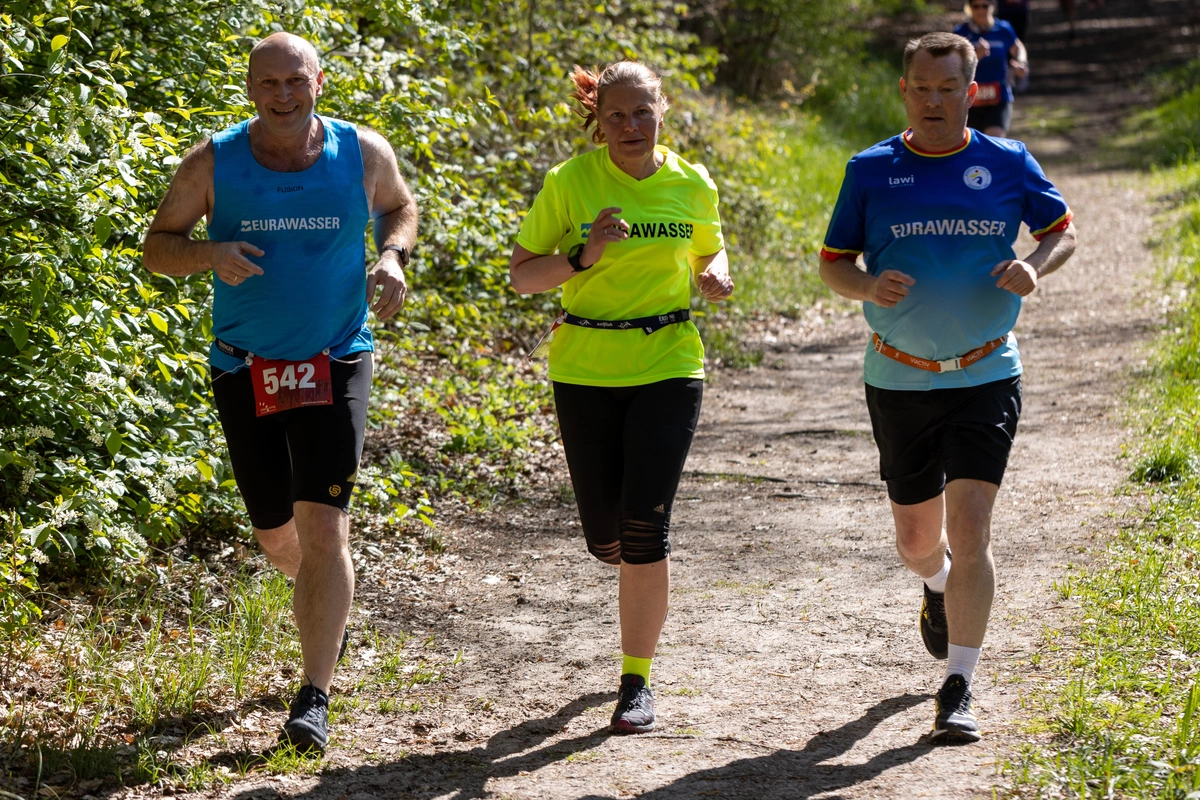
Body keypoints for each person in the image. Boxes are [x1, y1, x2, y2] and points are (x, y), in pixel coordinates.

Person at [142, 32, 417, 753]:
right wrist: (208, 254)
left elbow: (400, 207)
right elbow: (156, 246)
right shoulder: (215, 160)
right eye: (268, 83)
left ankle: (313, 696)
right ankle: (329, 606)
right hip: (245, 365)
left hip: (335, 358)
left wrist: (391, 256)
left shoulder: (361, 151)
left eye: (295, 80)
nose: (283, 95)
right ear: (250, 87)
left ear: (318, 81)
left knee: (324, 527)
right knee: (275, 532)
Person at [817, 32, 1076, 742]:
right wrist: (867, 283)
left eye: (948, 88)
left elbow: (1062, 231)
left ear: (973, 89)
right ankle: (934, 586)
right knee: (915, 540)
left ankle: (958, 684)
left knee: (972, 527)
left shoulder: (1006, 161)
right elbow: (833, 261)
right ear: (905, 90)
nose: (935, 101)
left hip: (988, 370)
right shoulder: (871, 169)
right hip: (899, 374)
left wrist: (1035, 264)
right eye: (922, 88)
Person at [508, 61, 733, 734]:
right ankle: (626, 562)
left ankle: (636, 680)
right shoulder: (569, 183)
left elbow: (709, 254)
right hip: (585, 368)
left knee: (645, 529)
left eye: (643, 112)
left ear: (663, 110)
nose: (631, 127)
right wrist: (585, 256)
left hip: (668, 359)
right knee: (605, 537)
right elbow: (523, 277)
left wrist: (715, 276)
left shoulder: (692, 182)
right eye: (616, 116)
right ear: (597, 120)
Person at [955, 0, 1028, 137]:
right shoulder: (961, 32)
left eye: (985, 6)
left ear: (992, 7)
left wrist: (1021, 62)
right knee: (973, 148)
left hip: (999, 98)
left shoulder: (1003, 29)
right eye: (976, 6)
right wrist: (976, 56)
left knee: (995, 141)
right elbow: (955, 66)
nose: (981, 10)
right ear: (970, 8)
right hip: (970, 102)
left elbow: (1018, 48)